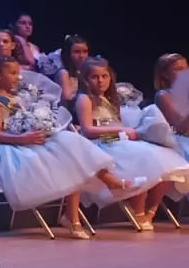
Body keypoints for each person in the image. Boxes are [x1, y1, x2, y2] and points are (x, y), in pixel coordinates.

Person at [0, 55, 131, 239]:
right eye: (13, 73)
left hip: (35, 140)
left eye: (18, 73)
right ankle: (83, 209)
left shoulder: (19, 96)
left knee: (70, 144)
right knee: (69, 156)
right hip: (16, 145)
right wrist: (24, 137)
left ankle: (103, 188)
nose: (18, 77)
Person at [74, 56, 189, 230]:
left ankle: (149, 212)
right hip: (99, 143)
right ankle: (139, 210)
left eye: (104, 76)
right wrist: (122, 132)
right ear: (86, 79)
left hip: (116, 139)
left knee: (165, 159)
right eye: (95, 77)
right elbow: (88, 130)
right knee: (142, 158)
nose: (100, 81)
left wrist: (127, 132)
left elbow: (116, 126)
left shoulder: (108, 99)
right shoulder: (85, 99)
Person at [138, 54, 189, 160]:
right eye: (178, 69)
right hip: (182, 142)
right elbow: (180, 128)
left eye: (186, 68)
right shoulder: (163, 95)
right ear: (165, 74)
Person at [56, 34, 90, 106]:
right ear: (68, 53)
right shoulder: (63, 73)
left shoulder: (81, 70)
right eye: (77, 52)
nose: (82, 56)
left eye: (85, 51)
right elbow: (67, 99)